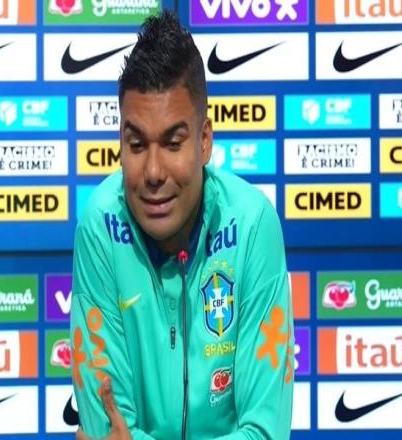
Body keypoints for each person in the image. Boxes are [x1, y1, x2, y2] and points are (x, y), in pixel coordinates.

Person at [71, 11, 294, 440]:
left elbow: (265, 432)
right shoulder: (100, 227)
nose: (153, 172)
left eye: (173, 143)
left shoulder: (252, 225)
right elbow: (108, 427)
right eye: (137, 144)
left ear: (204, 140)